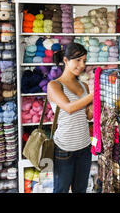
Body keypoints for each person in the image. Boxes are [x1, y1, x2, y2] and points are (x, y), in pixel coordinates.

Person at [47, 42, 94, 193]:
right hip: (64, 149)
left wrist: (97, 104)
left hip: (85, 147)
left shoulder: (84, 85)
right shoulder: (54, 85)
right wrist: (95, 94)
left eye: (84, 61)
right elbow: (68, 108)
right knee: (61, 189)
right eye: (78, 60)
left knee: (80, 190)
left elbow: (87, 116)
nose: (82, 65)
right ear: (66, 61)